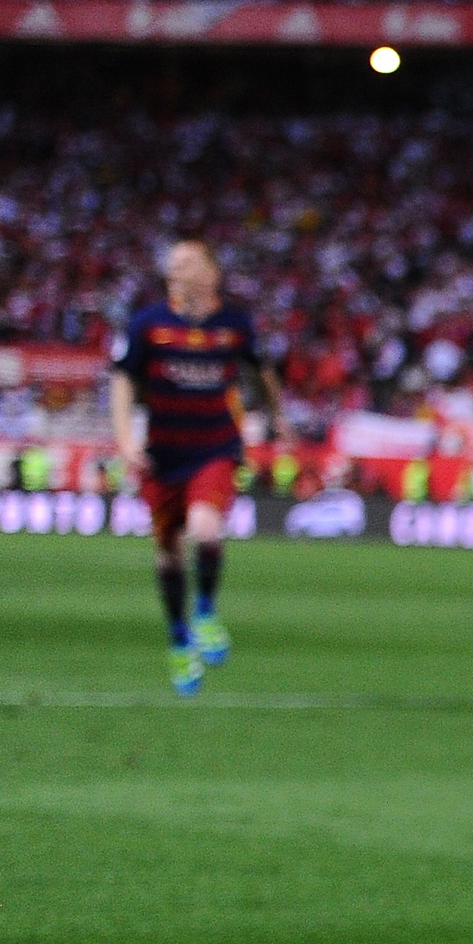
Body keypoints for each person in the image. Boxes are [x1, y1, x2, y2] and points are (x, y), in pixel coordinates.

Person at [109, 241, 287, 695]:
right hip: (163, 455)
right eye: (171, 266)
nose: (175, 270)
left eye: (186, 263)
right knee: (168, 552)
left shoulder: (234, 325)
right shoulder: (149, 324)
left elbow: (262, 370)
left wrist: (278, 417)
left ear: (212, 272)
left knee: (206, 530)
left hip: (215, 448)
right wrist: (126, 439)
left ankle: (205, 610)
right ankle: (178, 640)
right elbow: (124, 379)